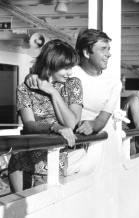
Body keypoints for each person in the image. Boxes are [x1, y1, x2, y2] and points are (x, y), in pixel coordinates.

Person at [8, 39, 83, 192]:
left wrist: (53, 91)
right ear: (50, 64)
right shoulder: (25, 88)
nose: (70, 73)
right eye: (66, 68)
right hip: (22, 161)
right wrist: (54, 127)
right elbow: (28, 124)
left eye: (71, 67)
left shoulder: (73, 84)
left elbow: (71, 123)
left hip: (51, 161)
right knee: (18, 210)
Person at [26, 29, 122, 135]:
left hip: (90, 139)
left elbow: (102, 120)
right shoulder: (67, 72)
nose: (108, 54)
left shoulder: (114, 83)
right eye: (103, 49)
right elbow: (45, 75)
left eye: (108, 49)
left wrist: (92, 125)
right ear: (86, 52)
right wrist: (31, 77)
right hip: (60, 136)